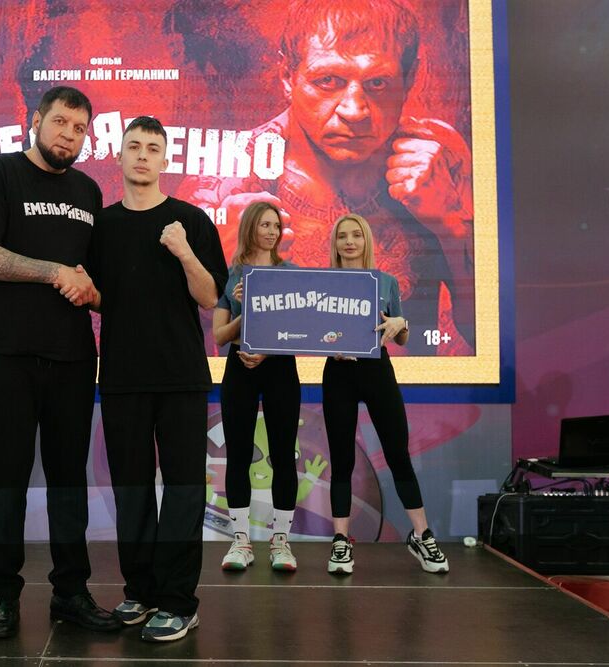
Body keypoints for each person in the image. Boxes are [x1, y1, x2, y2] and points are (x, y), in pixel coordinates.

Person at [177, 0, 474, 354]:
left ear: (411, 79)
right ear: (287, 76)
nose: (354, 110)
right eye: (328, 80)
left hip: (393, 384)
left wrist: (452, 226)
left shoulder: (438, 157)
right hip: (277, 385)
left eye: (378, 82)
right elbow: (174, 334)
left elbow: (482, 331)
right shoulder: (227, 180)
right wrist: (218, 274)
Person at [0, 86, 119, 639]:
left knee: (69, 481)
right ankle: (4, 595)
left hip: (72, 357)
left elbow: (96, 285)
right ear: (36, 120)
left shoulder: (88, 191)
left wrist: (91, 292)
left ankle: (71, 592)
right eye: (61, 123)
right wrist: (54, 272)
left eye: (79, 129)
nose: (69, 136)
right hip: (7, 354)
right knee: (7, 481)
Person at [84, 116, 227, 642]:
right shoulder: (101, 226)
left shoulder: (191, 219)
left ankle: (179, 601)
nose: (143, 155)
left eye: (152, 148)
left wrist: (183, 250)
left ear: (166, 159)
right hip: (122, 376)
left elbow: (211, 298)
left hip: (181, 376)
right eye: (134, 146)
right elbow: (98, 295)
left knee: (184, 490)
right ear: (119, 156)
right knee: (132, 490)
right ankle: (141, 591)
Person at [322, 213, 449, 574]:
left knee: (397, 454)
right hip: (338, 374)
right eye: (343, 236)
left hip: (377, 370)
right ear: (335, 243)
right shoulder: (323, 282)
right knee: (342, 459)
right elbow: (313, 332)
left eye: (356, 235)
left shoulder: (386, 282)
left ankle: (422, 536)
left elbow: (402, 336)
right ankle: (341, 541)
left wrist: (400, 322)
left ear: (367, 241)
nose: (349, 242)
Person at [212, 202, 301, 572]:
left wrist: (268, 350)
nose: (272, 232)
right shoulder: (231, 275)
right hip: (240, 367)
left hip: (280, 368)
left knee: (283, 455)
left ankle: (281, 542)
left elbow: (302, 330)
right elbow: (220, 336)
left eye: (275, 226)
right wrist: (245, 311)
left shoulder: (291, 273)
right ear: (249, 227)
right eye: (265, 225)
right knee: (238, 455)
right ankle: (241, 542)